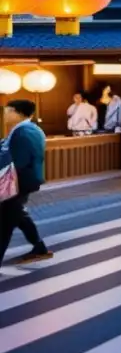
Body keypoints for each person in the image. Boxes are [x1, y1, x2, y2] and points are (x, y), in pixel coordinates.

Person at [0, 99, 52, 269]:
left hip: (18, 182)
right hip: (20, 182)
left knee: (5, 223)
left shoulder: (24, 131)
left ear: (18, 113)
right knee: (18, 215)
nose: (5, 114)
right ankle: (39, 247)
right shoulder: (22, 129)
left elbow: (19, 162)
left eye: (8, 111)